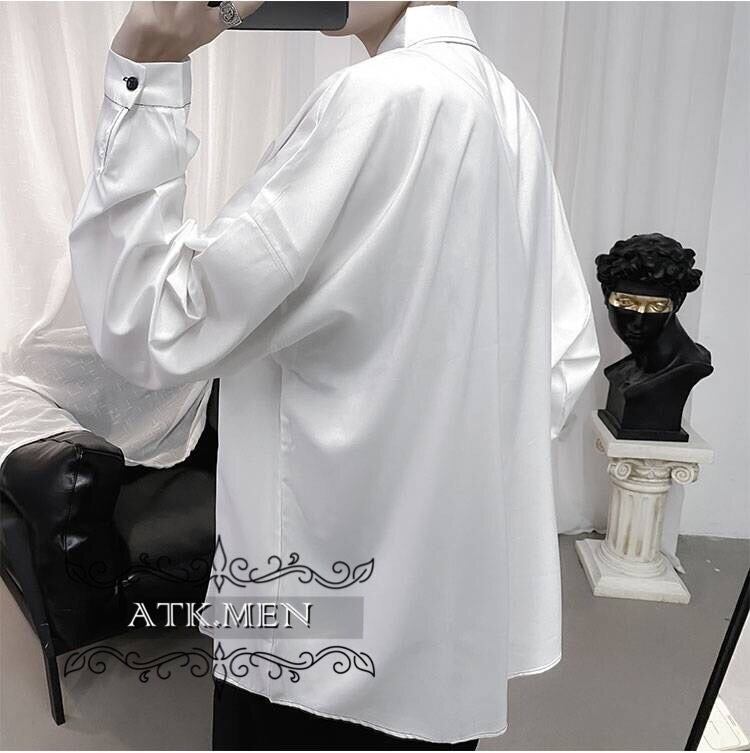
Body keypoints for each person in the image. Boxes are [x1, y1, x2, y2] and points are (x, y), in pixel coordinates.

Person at [68, 0, 600, 748]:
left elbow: (152, 322)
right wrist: (443, 464)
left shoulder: (382, 99)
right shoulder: (505, 105)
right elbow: (564, 356)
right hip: (441, 615)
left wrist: (146, 64)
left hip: (314, 621)